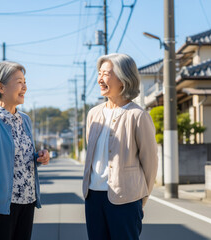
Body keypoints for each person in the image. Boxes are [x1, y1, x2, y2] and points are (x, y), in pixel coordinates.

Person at [0, 61, 50, 240]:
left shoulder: (25, 120)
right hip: (0, 207)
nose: (25, 87)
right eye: (19, 82)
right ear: (1, 87)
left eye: (25, 82)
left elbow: (19, 156)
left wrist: (40, 156)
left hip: (27, 202)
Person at [83, 53, 158, 240]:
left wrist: (141, 198)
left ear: (123, 79)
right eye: (99, 73)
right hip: (93, 197)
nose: (100, 79)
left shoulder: (138, 116)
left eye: (106, 74)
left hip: (126, 199)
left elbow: (150, 162)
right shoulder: (93, 114)